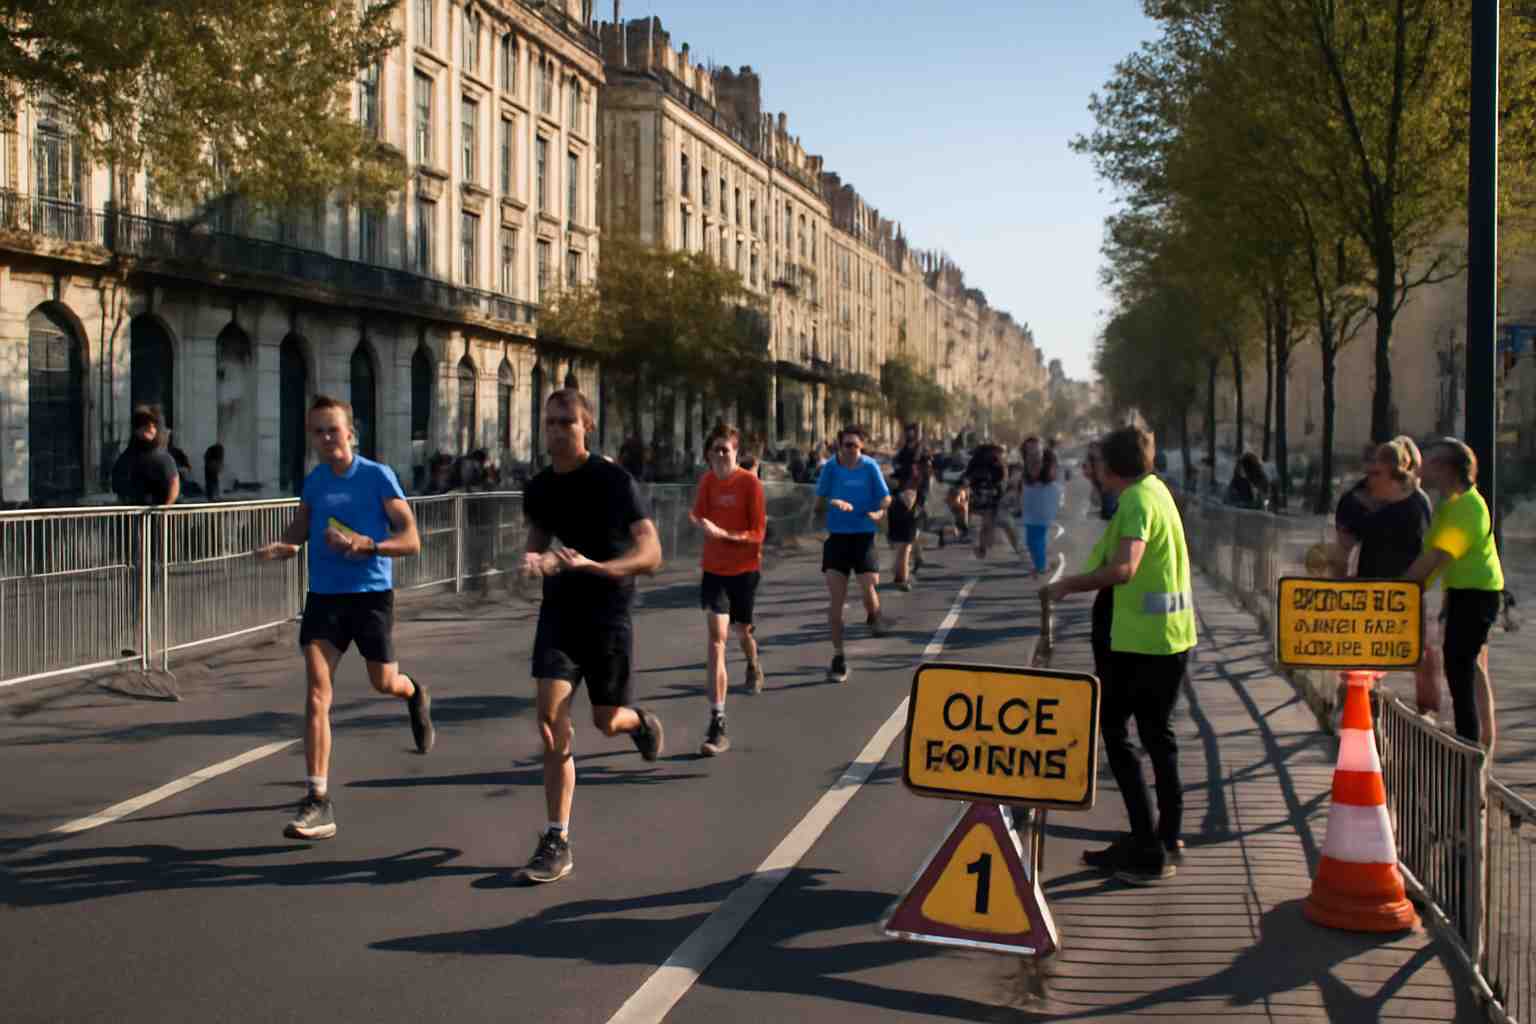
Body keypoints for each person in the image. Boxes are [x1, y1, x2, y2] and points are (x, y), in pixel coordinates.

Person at [254, 395, 431, 841]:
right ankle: (317, 799)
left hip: (370, 596)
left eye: (333, 429)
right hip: (325, 598)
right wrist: (288, 545)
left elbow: (411, 539)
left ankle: (413, 692)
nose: (326, 438)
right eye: (318, 431)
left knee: (383, 682)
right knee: (317, 692)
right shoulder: (314, 481)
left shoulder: (377, 476)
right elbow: (302, 526)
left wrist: (367, 546)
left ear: (351, 433)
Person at [517, 388, 665, 883]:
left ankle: (639, 723)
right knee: (549, 719)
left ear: (587, 428)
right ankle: (556, 836)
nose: (557, 431)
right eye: (550, 423)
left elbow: (651, 554)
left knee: (606, 721)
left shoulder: (613, 481)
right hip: (560, 614)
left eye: (567, 423)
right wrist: (533, 560)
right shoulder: (538, 486)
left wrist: (599, 567)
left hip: (608, 615)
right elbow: (538, 536)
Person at [1043, 425, 1196, 884]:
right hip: (1167, 636)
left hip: (1138, 642)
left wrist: (1067, 584)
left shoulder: (1134, 502)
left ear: (1111, 466)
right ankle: (1165, 836)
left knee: (1118, 733)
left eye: (1097, 463)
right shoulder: (1156, 492)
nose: (1093, 470)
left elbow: (1125, 568)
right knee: (1157, 736)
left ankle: (1148, 849)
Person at [1404, 438, 1504, 751]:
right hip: (1462, 592)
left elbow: (1437, 558)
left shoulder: (1467, 508)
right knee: (1469, 666)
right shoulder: (1450, 507)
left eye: (1431, 462)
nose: (1423, 467)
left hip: (1477, 594)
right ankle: (1482, 744)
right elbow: (1429, 559)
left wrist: (1397, 588)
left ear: (1448, 469)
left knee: (1459, 666)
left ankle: (1469, 747)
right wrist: (1411, 585)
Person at [689, 424, 767, 754]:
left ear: (736, 453)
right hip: (714, 572)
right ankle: (717, 721)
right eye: (715, 450)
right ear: (708, 454)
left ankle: (752, 663)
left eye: (727, 449)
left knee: (741, 630)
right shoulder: (707, 481)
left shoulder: (750, 483)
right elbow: (698, 514)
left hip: (745, 569)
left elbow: (758, 532)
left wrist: (725, 535)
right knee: (716, 641)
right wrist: (700, 522)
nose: (721, 455)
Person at [815, 424, 892, 683]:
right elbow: (818, 502)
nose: (850, 451)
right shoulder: (830, 468)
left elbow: (885, 498)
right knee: (836, 602)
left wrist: (879, 513)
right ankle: (838, 657)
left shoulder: (870, 467)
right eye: (846, 445)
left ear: (862, 447)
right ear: (839, 445)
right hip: (837, 540)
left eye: (855, 446)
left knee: (869, 589)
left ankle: (874, 615)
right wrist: (832, 502)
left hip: (863, 537)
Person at [889, 423, 931, 591]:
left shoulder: (915, 454)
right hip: (904, 498)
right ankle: (902, 576)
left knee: (905, 541)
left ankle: (901, 575)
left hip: (908, 497)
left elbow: (925, 477)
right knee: (905, 541)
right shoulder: (907, 454)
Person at [111, 405, 180, 506]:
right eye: (146, 425)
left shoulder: (163, 458)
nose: (151, 430)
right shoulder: (127, 457)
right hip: (132, 513)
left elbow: (173, 484)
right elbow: (118, 485)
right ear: (137, 429)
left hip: (156, 512)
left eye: (153, 426)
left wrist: (164, 509)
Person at [1021, 448, 1064, 577]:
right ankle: (1043, 564)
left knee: (1035, 540)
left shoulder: (1047, 479)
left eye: (1037, 460)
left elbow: (1054, 490)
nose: (1032, 464)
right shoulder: (1030, 475)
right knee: (1034, 540)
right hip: (1032, 512)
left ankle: (1042, 566)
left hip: (1040, 511)